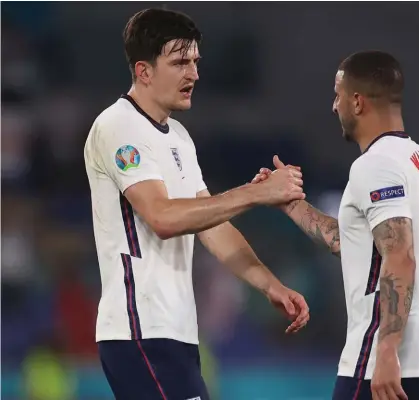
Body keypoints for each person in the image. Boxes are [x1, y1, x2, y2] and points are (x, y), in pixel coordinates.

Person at [83, 8, 310, 400]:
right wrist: (255, 193)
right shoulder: (119, 127)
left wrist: (270, 285)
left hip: (175, 333)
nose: (194, 74)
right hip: (139, 331)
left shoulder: (179, 138)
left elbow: (213, 225)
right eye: (180, 62)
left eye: (195, 62)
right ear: (144, 71)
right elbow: (162, 218)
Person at [252, 50, 419, 400]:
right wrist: (291, 205)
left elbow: (399, 255)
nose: (335, 106)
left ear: (358, 102)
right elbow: (355, 245)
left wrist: (388, 349)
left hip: (388, 359)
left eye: (338, 95)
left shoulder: (374, 166)